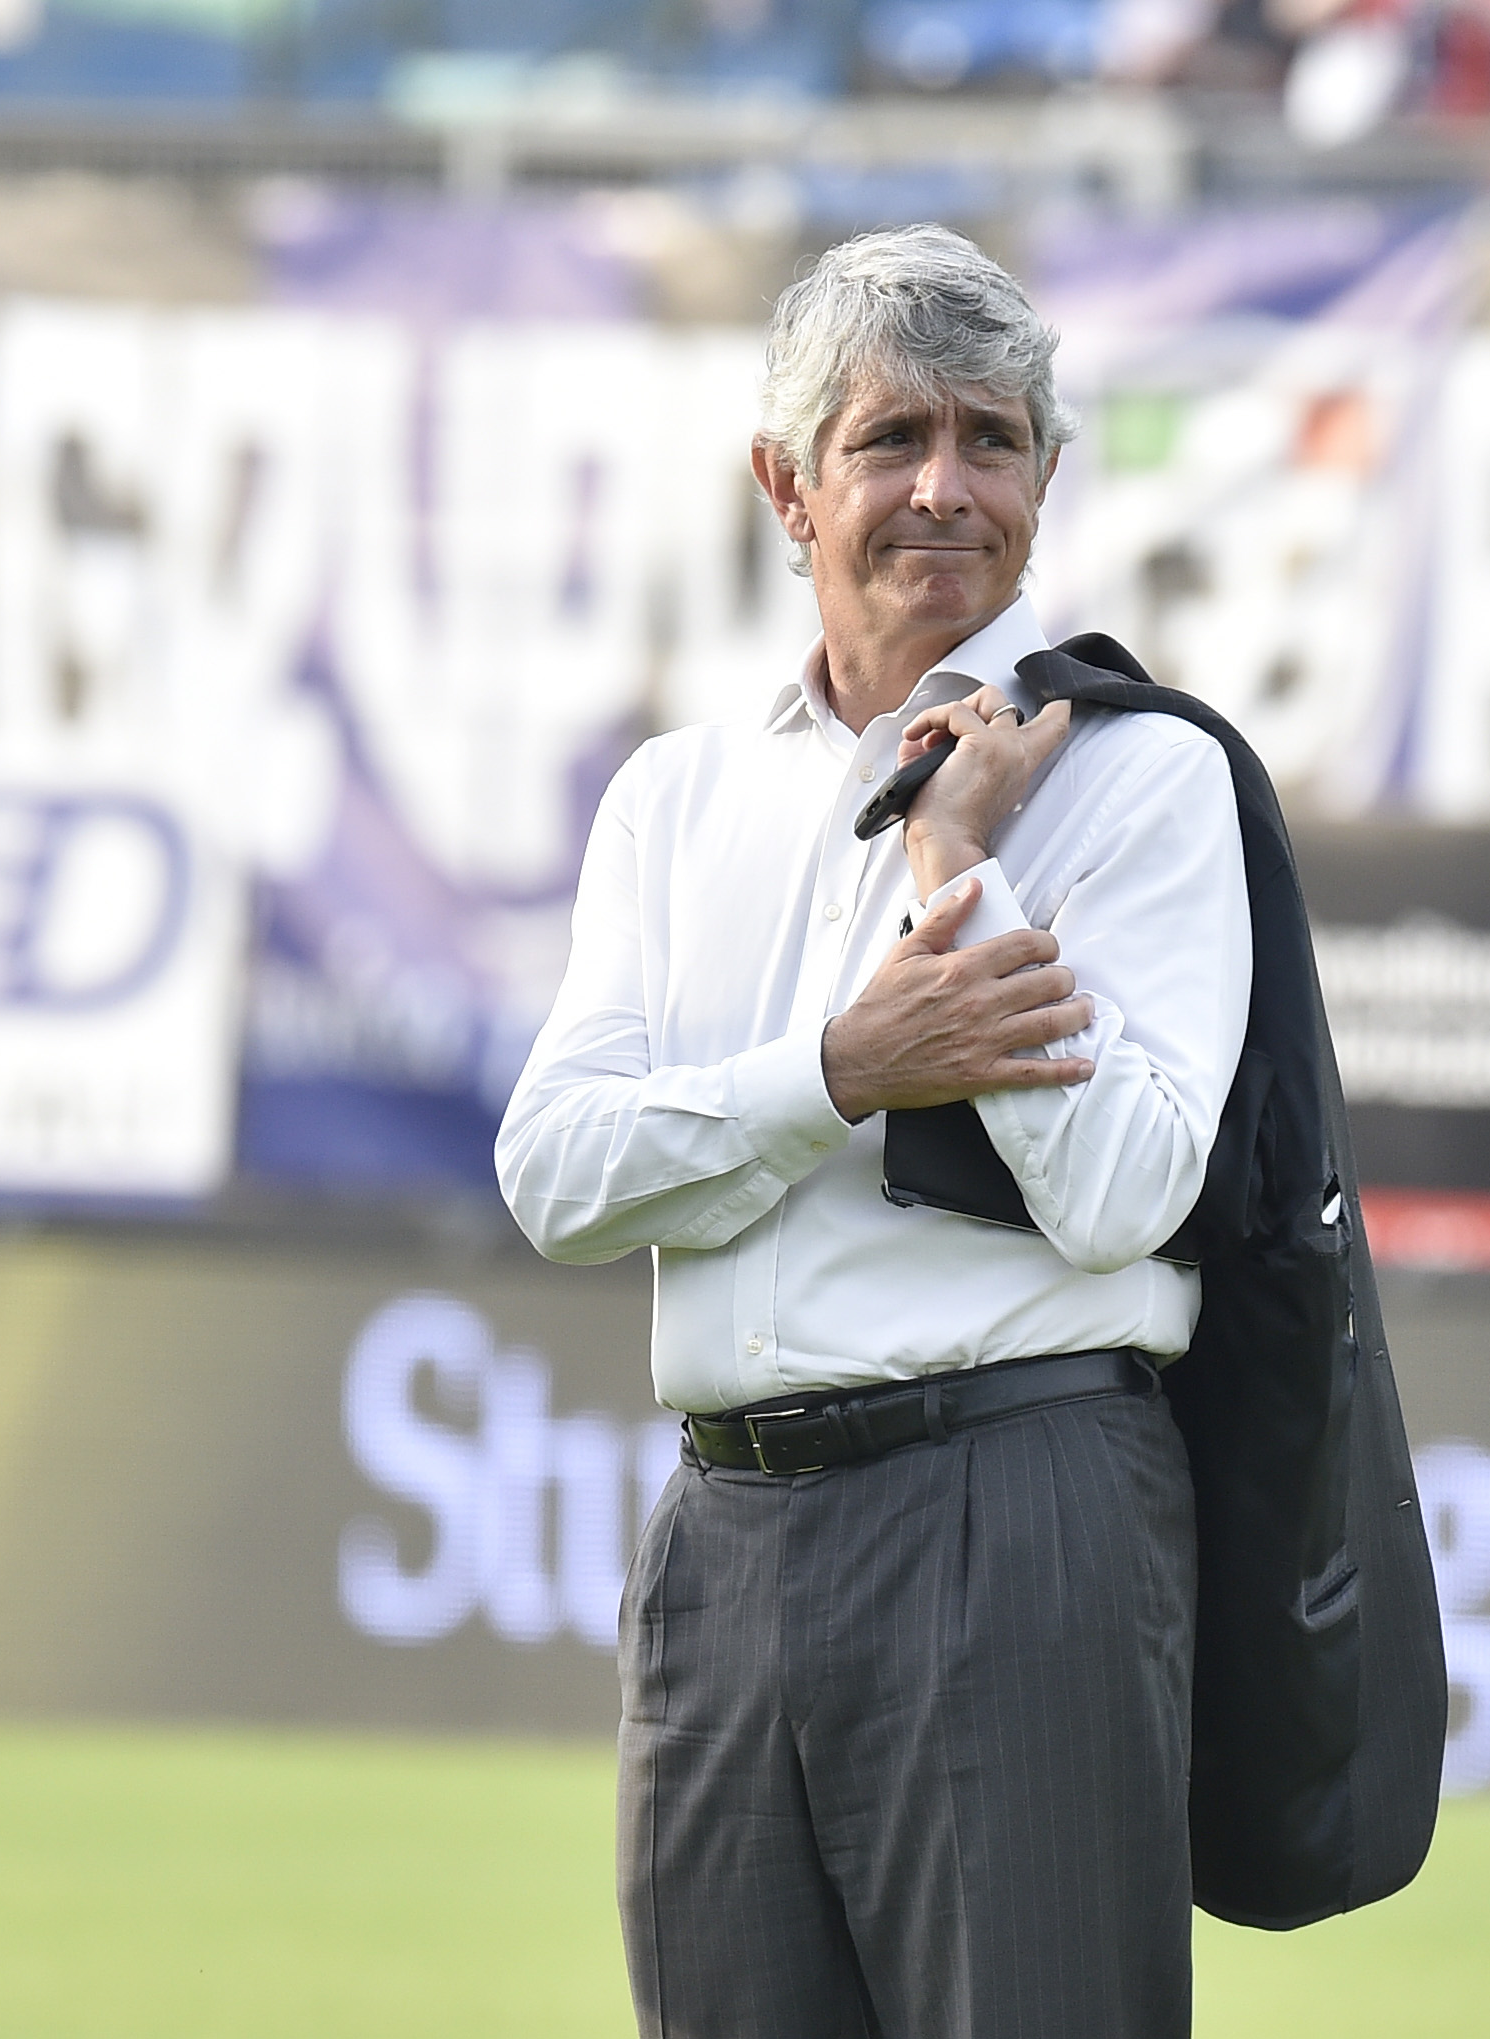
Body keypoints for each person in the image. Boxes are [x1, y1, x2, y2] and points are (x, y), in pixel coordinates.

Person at [496, 223, 1250, 2038]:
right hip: (722, 1541)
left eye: (992, 440)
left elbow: (1126, 1199)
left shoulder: (1146, 772)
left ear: (1046, 479)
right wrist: (834, 1074)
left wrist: (954, 866)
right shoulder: (674, 797)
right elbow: (556, 1177)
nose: (943, 488)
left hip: (1022, 1501)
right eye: (890, 437)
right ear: (784, 485)